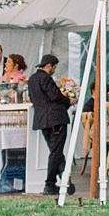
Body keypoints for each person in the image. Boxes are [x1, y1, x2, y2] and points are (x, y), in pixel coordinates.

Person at [30, 53, 70, 194]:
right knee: (56, 152)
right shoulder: (46, 78)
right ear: (48, 65)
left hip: (42, 119)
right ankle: (50, 184)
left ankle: (63, 176)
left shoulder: (32, 79)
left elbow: (32, 98)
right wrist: (68, 100)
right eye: (54, 67)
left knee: (55, 150)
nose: (54, 70)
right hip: (56, 118)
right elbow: (54, 95)